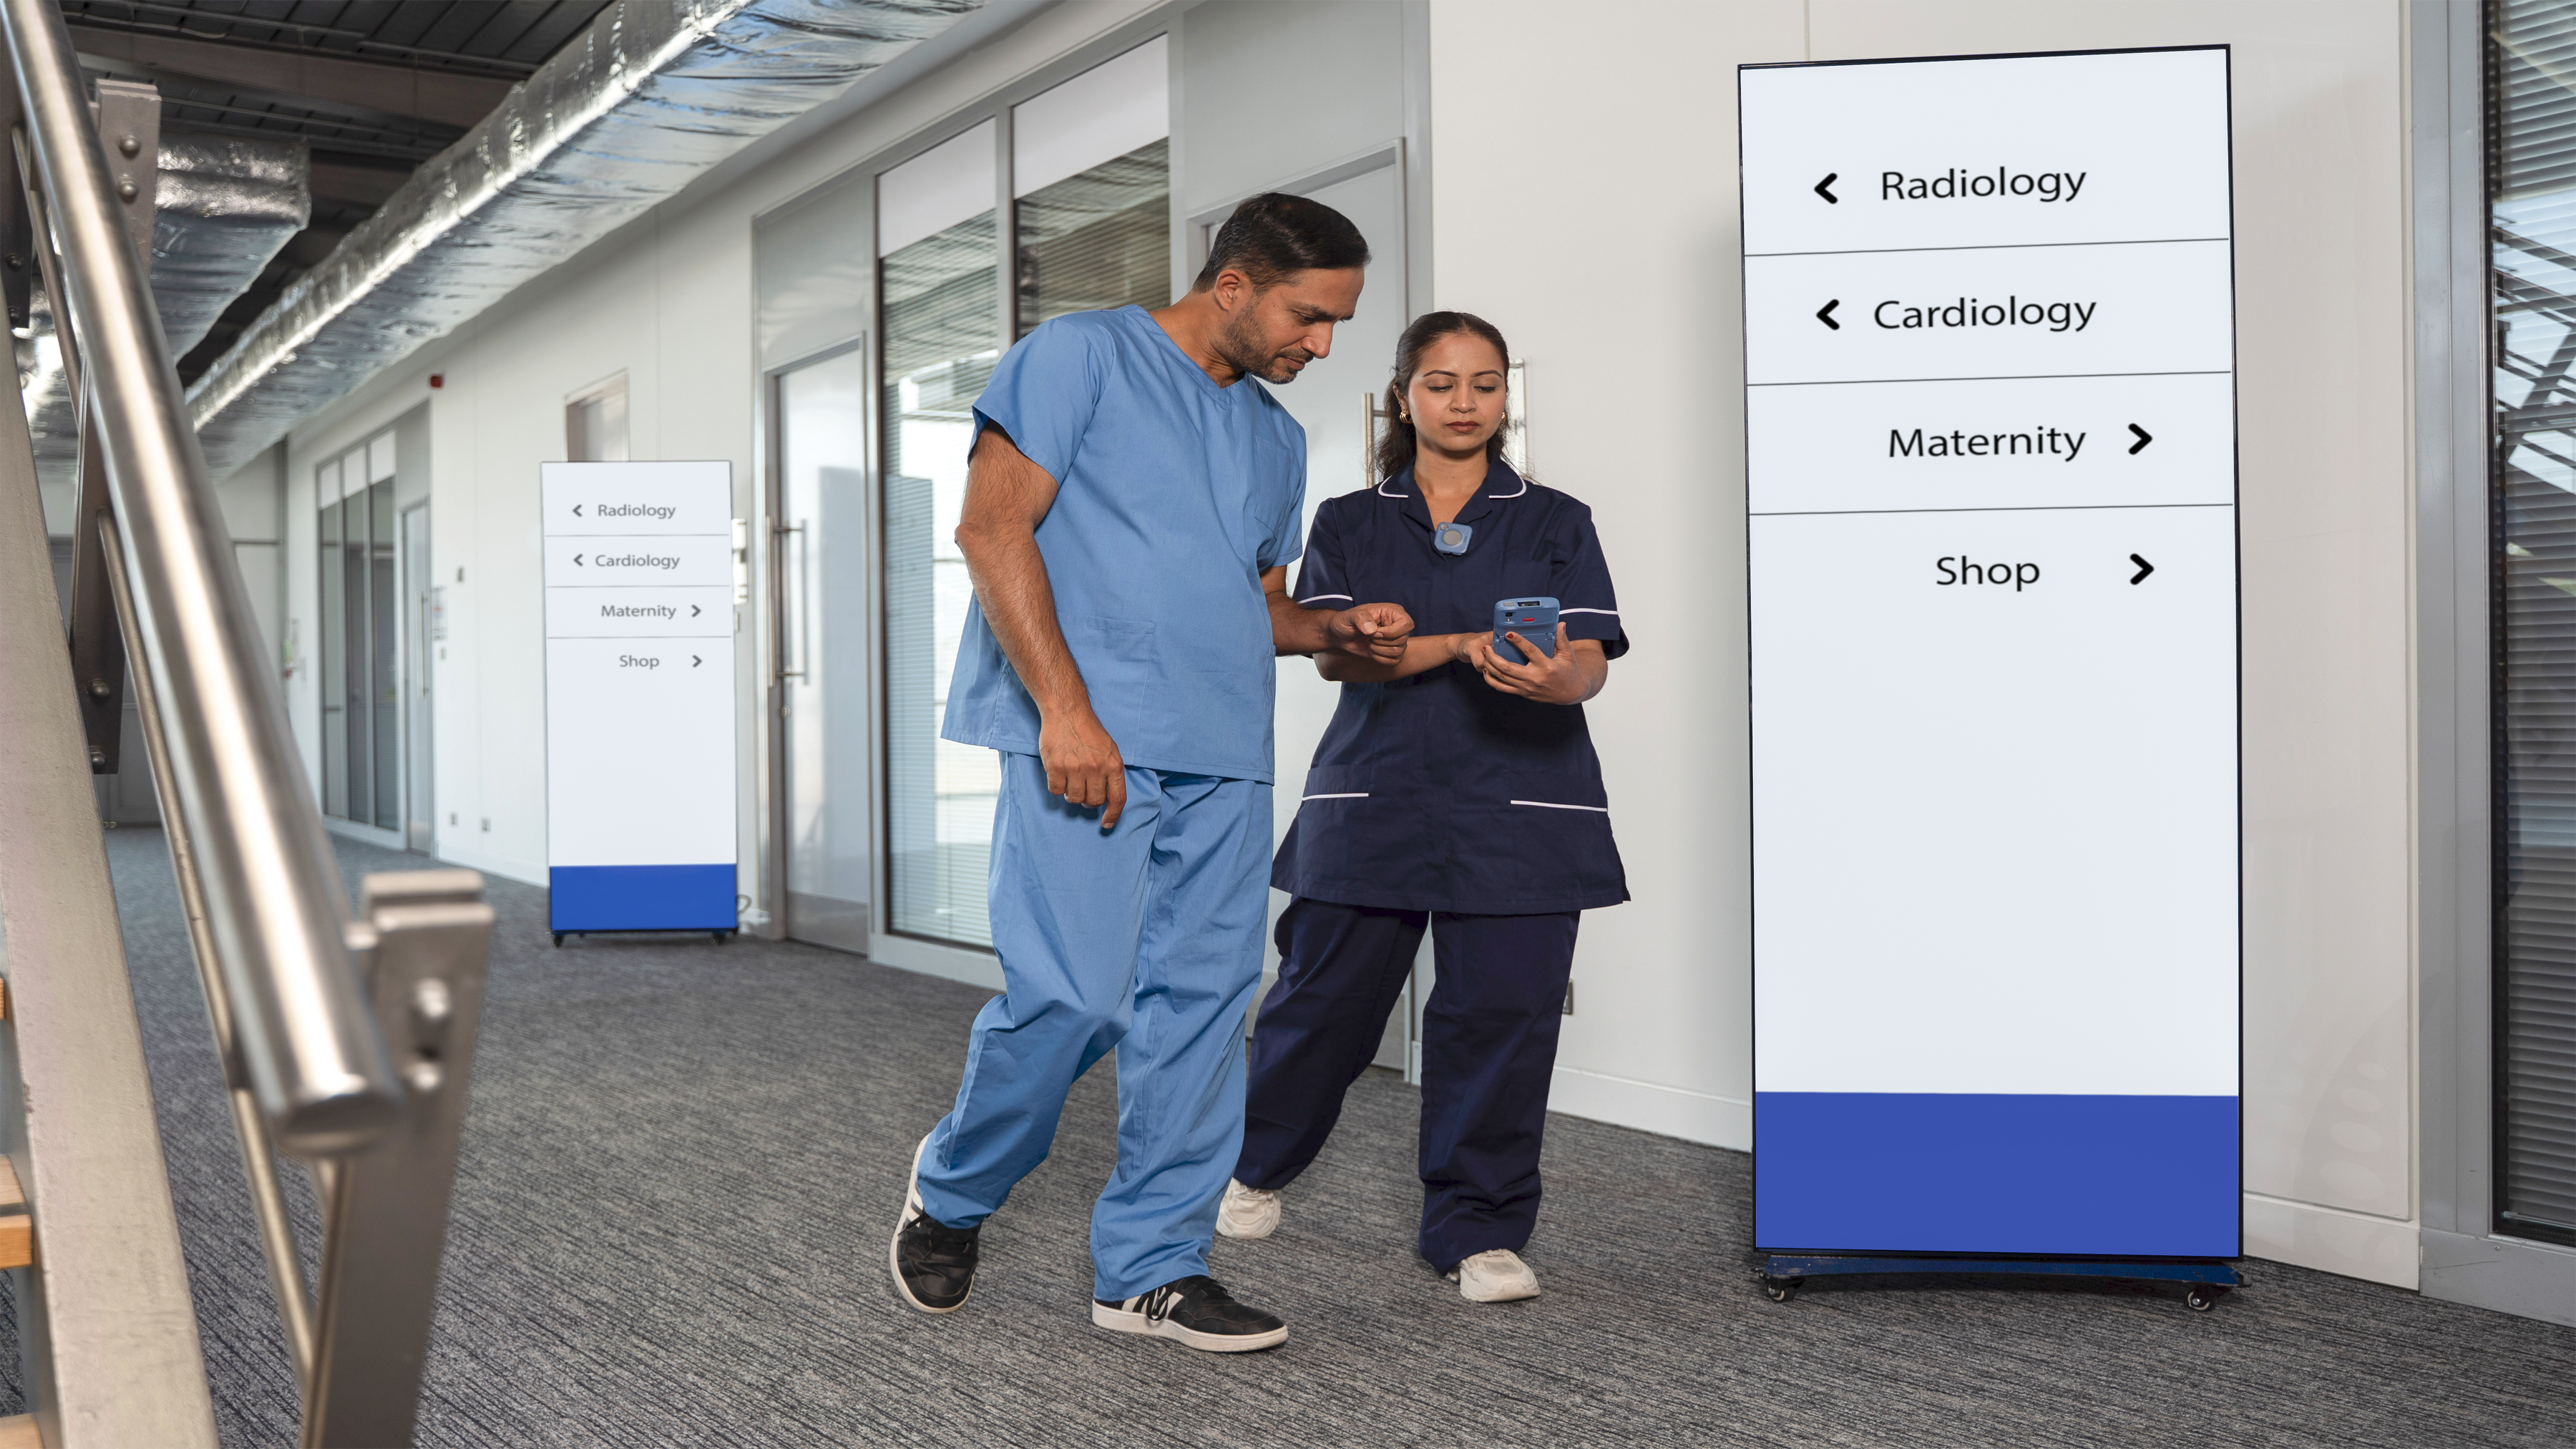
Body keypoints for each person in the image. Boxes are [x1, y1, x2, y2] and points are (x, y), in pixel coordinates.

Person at [887, 193, 1415, 1353]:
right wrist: (1066, 712)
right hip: (1091, 747)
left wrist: (1335, 630)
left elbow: (1253, 603)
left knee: (1200, 1012)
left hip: (1223, 753)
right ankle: (956, 1188)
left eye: (1336, 323)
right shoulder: (1078, 357)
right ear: (1233, 283)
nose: (1322, 345)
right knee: (1073, 999)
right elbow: (991, 528)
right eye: (1309, 316)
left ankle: (1152, 1266)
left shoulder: (1274, 440)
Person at [1215, 311, 1629, 1304]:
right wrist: (1448, 647)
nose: (1463, 403)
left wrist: (1557, 682)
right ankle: (1254, 1165)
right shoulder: (1352, 522)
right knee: (1322, 1008)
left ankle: (1477, 1230)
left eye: (1484, 384)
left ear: (1504, 397)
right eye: (1441, 383)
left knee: (1503, 1017)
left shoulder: (1557, 519)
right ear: (1405, 395)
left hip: (1525, 802)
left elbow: (1588, 656)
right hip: (1378, 795)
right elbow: (1328, 652)